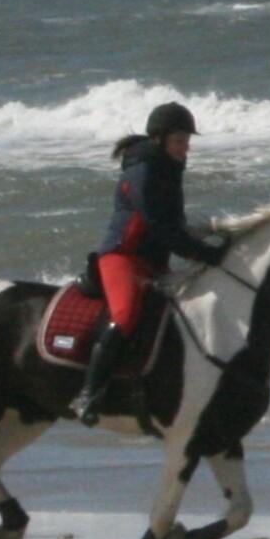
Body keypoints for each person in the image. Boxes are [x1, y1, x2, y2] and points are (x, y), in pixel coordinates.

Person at [72, 101, 228, 425]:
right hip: (122, 257)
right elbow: (161, 227)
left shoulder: (168, 169)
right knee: (126, 316)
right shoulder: (144, 171)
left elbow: (176, 226)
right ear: (159, 140)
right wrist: (205, 254)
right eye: (180, 141)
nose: (186, 149)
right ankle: (89, 394)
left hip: (152, 262)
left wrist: (215, 241)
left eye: (187, 142)